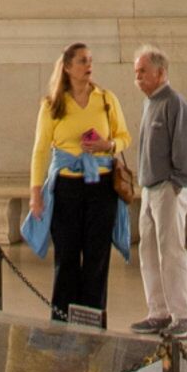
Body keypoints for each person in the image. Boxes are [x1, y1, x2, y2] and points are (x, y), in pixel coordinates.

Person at [21, 41, 131, 326]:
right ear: (68, 67)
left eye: (91, 60)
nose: (88, 65)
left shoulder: (106, 99)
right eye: (82, 61)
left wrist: (108, 144)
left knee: (96, 260)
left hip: (101, 187)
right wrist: (36, 193)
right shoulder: (52, 105)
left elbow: (124, 137)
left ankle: (93, 325)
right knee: (67, 259)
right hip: (67, 189)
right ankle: (61, 324)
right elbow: (40, 149)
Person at [128, 48, 187, 339]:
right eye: (136, 73)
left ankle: (184, 315)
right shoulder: (149, 104)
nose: (138, 78)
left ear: (160, 72)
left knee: (171, 252)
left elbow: (186, 147)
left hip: (168, 187)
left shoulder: (175, 103)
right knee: (148, 251)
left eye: (142, 72)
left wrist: (177, 182)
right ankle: (159, 311)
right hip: (149, 188)